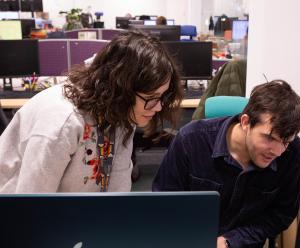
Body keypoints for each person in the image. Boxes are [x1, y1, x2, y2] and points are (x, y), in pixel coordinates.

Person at [0, 30, 183, 193]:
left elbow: (117, 190)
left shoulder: (121, 112)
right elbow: (32, 205)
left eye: (162, 97)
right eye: (151, 98)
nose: (158, 107)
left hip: (74, 218)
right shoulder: (62, 122)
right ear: (121, 89)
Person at [153, 80, 300, 248]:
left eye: (285, 142)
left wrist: (232, 241)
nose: (277, 152)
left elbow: (282, 214)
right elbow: (163, 204)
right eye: (269, 138)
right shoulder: (190, 141)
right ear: (245, 122)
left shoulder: (293, 154)